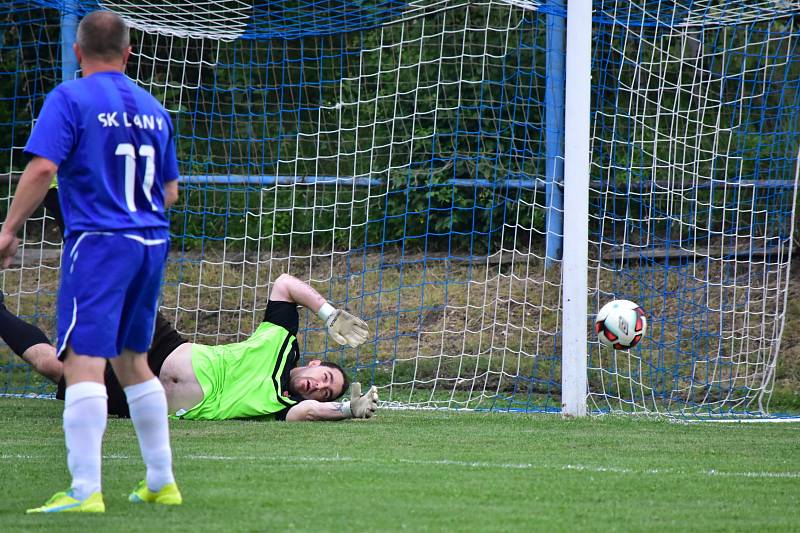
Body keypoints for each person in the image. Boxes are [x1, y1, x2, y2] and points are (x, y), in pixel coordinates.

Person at [0, 11, 181, 513]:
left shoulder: (69, 98)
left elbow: (42, 167)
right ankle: (160, 480)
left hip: (101, 244)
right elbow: (170, 191)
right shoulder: (153, 109)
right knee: (133, 361)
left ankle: (84, 490)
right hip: (150, 244)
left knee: (82, 360)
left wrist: (9, 229)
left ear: (78, 53)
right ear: (127, 54)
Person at [0, 273, 379, 422]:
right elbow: (284, 284)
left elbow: (309, 412)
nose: (319, 386)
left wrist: (346, 409)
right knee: (115, 281)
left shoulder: (285, 405)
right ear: (313, 362)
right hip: (164, 348)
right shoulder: (281, 342)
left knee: (52, 367)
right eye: (325, 376)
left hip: (144, 400)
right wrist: (329, 314)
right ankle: (64, 203)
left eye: (327, 390)